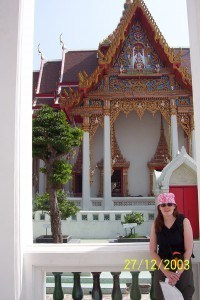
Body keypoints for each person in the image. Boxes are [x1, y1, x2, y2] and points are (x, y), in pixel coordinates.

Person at [149, 192, 195, 299]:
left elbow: (189, 250)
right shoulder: (156, 224)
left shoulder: (184, 222)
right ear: (159, 207)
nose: (166, 207)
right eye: (163, 205)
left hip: (182, 266)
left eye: (169, 204)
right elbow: (152, 251)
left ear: (174, 206)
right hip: (162, 266)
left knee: (184, 296)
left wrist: (178, 273)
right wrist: (166, 272)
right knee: (162, 296)